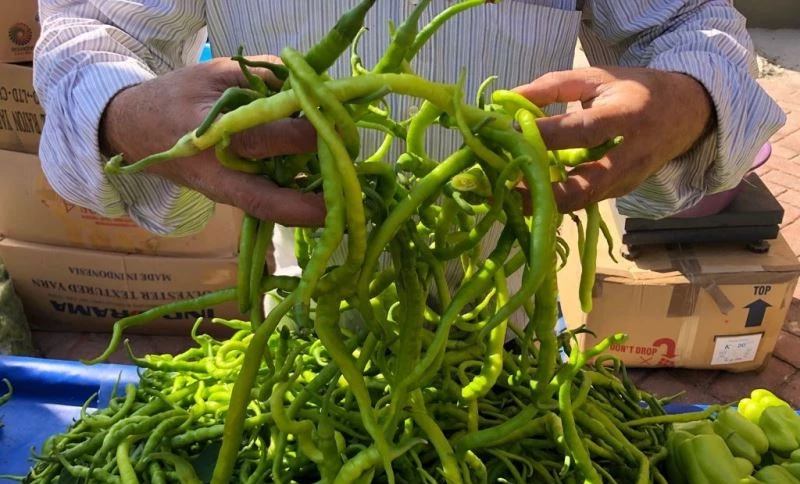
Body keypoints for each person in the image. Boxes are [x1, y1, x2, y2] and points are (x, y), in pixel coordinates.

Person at [33, 1, 784, 253]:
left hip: (506, 283)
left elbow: (688, 22)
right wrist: (125, 114)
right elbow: (91, 31)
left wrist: (689, 99)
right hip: (303, 280)